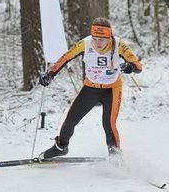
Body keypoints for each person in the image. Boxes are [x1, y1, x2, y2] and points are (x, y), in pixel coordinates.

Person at [38, 17, 142, 160]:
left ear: (109, 37)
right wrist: (50, 74)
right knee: (70, 121)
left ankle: (116, 159)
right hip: (90, 88)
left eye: (102, 39)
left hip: (111, 89)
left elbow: (138, 65)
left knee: (109, 124)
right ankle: (60, 147)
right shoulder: (85, 44)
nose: (98, 43)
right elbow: (65, 58)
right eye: (95, 38)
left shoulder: (119, 45)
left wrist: (131, 67)